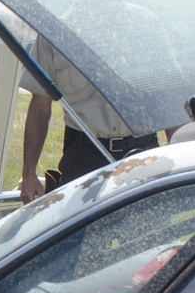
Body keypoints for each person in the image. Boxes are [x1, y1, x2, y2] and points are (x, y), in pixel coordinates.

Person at [16, 37, 153, 200]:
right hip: (83, 158)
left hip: (143, 155)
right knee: (82, 225)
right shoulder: (53, 31)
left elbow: (168, 97)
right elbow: (40, 106)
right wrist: (29, 174)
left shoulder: (145, 24)